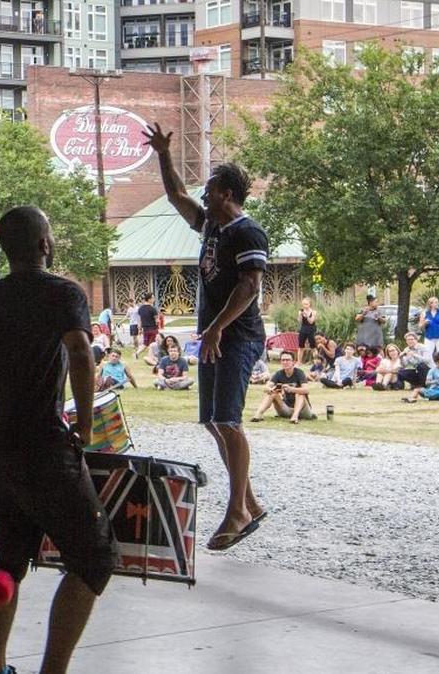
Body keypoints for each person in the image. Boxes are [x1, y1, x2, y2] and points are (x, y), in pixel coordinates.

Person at [0, 206, 117, 674]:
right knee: (96, 558)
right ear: (44, 244)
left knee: (10, 556)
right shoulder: (63, 294)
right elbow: (80, 352)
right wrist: (84, 427)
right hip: (46, 447)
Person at [145, 123, 268, 551]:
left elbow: (249, 287)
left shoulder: (247, 232)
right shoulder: (213, 228)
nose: (203, 194)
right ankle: (249, 502)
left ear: (228, 194)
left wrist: (216, 327)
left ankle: (237, 510)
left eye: (211, 189)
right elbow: (178, 196)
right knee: (214, 423)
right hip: (215, 338)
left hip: (239, 338)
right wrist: (163, 154)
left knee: (228, 422)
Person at [250, 351, 316, 423]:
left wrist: (292, 389)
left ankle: (294, 417)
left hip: (303, 411)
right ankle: (258, 415)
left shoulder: (299, 373)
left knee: (299, 393)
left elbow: (306, 390)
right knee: (272, 393)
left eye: (287, 360)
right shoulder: (279, 374)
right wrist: (271, 390)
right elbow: (265, 388)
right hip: (286, 409)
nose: (285, 362)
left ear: (293, 362)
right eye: (283, 360)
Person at [133, 292, 159, 360]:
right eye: (153, 298)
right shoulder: (153, 309)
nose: (154, 299)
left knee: (145, 344)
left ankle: (136, 353)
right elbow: (157, 320)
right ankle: (151, 357)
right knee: (153, 344)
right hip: (153, 329)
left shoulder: (140, 309)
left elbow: (140, 320)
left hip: (145, 330)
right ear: (149, 299)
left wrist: (139, 329)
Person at [297, 298, 318, 364]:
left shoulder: (314, 312)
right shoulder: (301, 311)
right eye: (303, 304)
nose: (305, 306)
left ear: (309, 304)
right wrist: (300, 315)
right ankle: (299, 362)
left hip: (311, 329)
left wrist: (306, 315)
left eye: (306, 304)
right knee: (301, 347)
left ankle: (316, 362)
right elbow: (299, 321)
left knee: (313, 347)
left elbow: (311, 321)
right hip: (303, 329)